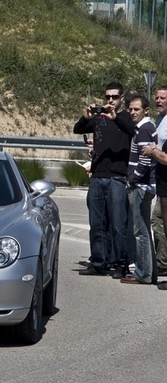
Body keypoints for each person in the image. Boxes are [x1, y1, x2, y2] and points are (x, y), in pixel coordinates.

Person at [73, 82, 135, 278]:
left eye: (114, 97)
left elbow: (132, 131)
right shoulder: (99, 119)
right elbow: (78, 129)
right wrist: (86, 116)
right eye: (108, 97)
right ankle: (99, 262)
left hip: (117, 177)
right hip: (98, 176)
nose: (110, 101)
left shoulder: (126, 117)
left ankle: (121, 264)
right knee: (97, 223)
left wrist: (115, 118)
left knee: (118, 225)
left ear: (122, 98)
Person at [120, 95, 156, 284]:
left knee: (140, 231)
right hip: (144, 184)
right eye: (130, 109)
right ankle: (150, 272)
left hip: (141, 186)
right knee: (144, 230)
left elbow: (145, 160)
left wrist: (131, 180)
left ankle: (143, 274)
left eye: (136, 109)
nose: (132, 112)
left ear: (146, 110)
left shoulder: (144, 129)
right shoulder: (144, 128)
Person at [141, 85, 167, 289]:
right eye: (156, 97)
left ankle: (162, 264)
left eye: (162, 98)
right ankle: (162, 264)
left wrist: (153, 151)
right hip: (161, 180)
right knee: (159, 221)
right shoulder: (159, 120)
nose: (158, 101)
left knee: (158, 220)